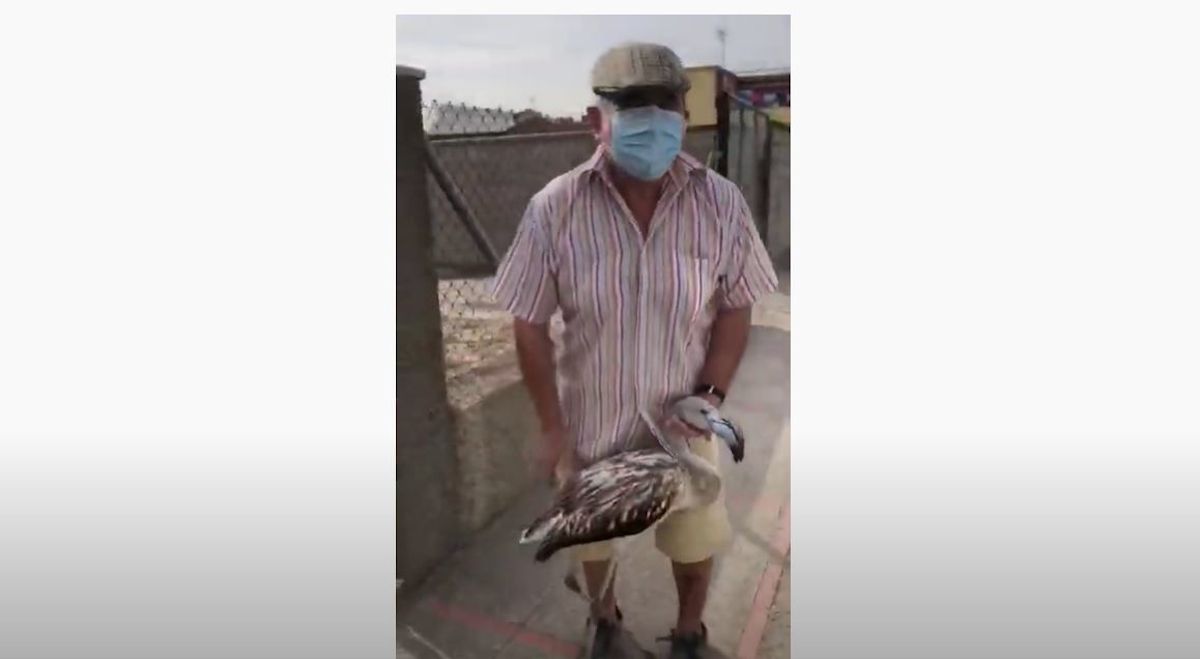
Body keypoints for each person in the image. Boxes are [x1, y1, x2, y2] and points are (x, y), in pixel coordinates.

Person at [491, 42, 777, 659]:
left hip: (683, 432)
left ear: (684, 110)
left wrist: (711, 393)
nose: (651, 118)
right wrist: (551, 428)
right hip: (589, 431)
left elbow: (736, 305)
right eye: (630, 104)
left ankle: (688, 635)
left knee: (695, 545)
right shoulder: (554, 210)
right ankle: (605, 625)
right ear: (598, 119)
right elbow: (529, 323)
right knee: (595, 551)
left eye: (663, 101)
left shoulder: (720, 204)